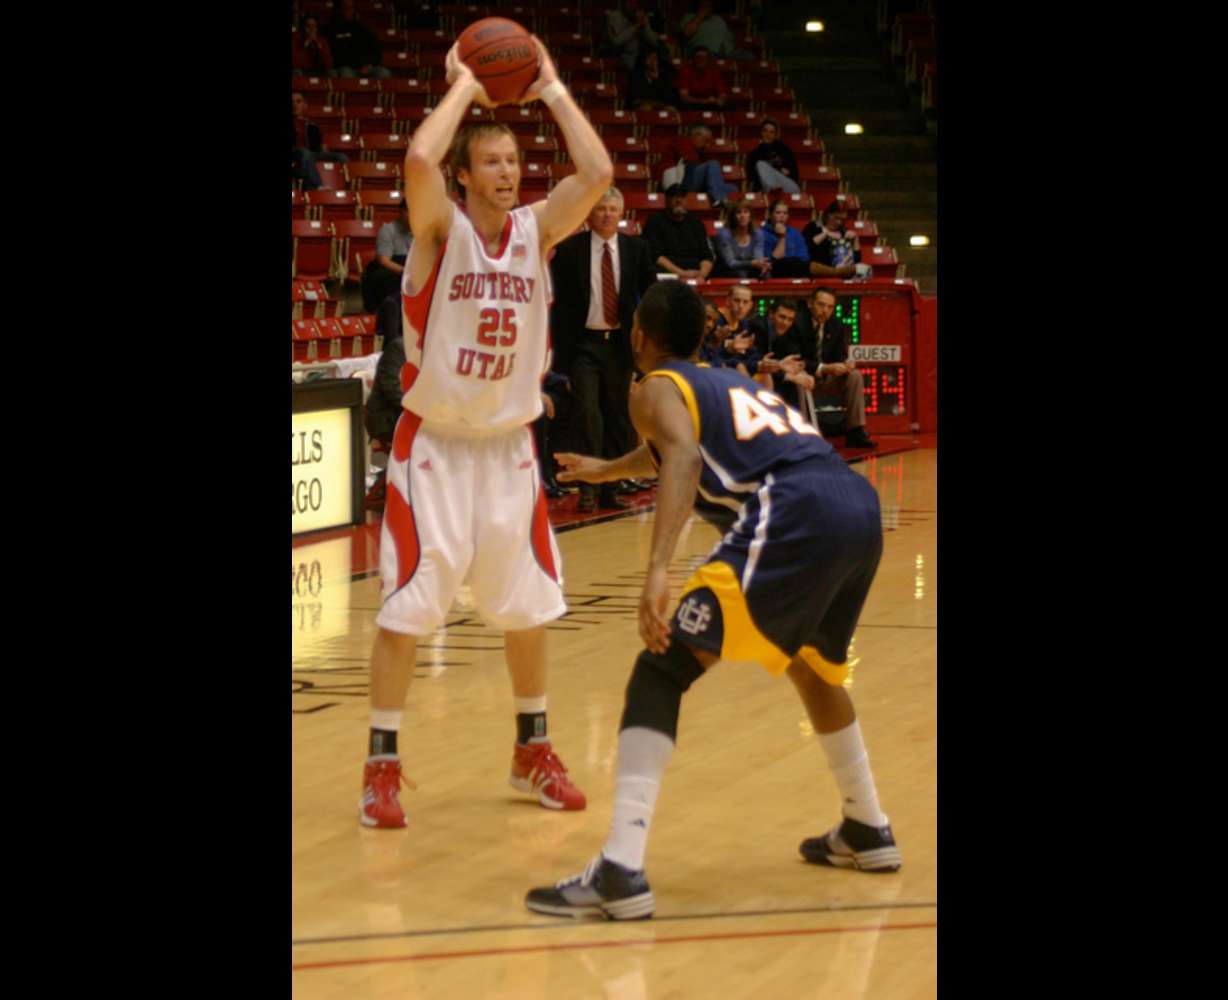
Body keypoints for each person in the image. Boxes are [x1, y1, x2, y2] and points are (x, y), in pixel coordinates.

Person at [525, 281, 900, 920]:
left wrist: (657, 570)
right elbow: (673, 447)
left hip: (795, 509)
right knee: (811, 667)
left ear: (639, 335)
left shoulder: (652, 388)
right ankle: (868, 825)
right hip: (854, 503)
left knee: (661, 668)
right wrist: (603, 469)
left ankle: (620, 868)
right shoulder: (725, 379)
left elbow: (680, 460)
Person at [357, 34, 615, 829]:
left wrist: (552, 89)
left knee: (527, 604)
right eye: (492, 162)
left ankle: (531, 747)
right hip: (433, 445)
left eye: (514, 161)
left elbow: (599, 174)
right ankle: (383, 765)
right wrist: (467, 89)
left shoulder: (537, 232)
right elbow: (417, 163)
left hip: (508, 447)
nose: (508, 172)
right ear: (467, 176)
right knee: (408, 610)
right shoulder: (440, 232)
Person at [549, 188, 658, 513]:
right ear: (589, 214)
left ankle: (611, 486)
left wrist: (645, 346)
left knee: (617, 419)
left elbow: (651, 296)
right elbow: (559, 305)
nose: (608, 214)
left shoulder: (636, 249)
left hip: (621, 346)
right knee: (588, 417)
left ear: (621, 213)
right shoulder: (570, 250)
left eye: (613, 208)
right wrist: (561, 358)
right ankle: (587, 488)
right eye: (601, 209)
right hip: (584, 344)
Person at [792, 288, 877, 449]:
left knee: (855, 375)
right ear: (811, 304)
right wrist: (824, 368)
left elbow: (839, 356)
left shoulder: (836, 325)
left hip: (827, 378)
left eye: (830, 307)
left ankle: (855, 431)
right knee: (798, 377)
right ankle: (804, 434)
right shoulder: (798, 323)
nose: (825, 310)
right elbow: (796, 359)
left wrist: (846, 364)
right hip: (804, 376)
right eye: (821, 305)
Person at [641, 184, 715, 283]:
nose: (678, 200)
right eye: (674, 196)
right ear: (666, 200)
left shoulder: (696, 223)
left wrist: (701, 276)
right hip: (668, 276)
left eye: (682, 197)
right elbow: (655, 256)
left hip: (695, 275)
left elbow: (707, 256)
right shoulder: (654, 221)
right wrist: (681, 273)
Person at [361, 195, 412, 312]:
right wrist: (406, 273)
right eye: (409, 211)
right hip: (392, 273)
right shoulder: (388, 230)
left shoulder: (422, 232)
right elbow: (383, 260)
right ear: (401, 211)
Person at [665, 125, 737, 207]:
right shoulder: (681, 141)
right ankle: (718, 199)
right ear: (697, 135)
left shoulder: (699, 151)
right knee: (713, 163)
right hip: (684, 181)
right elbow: (690, 162)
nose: (707, 144)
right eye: (705, 140)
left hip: (696, 180)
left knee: (733, 188)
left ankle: (732, 206)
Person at [291, 91, 350, 191]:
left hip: (311, 155)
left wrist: (324, 152)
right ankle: (318, 186)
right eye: (293, 102)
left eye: (298, 101)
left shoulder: (313, 126)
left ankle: (349, 188)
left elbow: (320, 147)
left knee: (341, 156)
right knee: (306, 153)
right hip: (294, 153)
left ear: (305, 105)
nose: (295, 104)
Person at [328, 0, 392, 79]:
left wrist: (369, 64)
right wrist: (359, 65)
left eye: (352, 8)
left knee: (384, 73)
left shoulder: (363, 29)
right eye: (346, 8)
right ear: (340, 10)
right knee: (346, 73)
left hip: (368, 65)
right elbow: (339, 55)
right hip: (348, 66)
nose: (349, 11)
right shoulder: (334, 29)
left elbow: (376, 50)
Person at [802, 201, 862, 278]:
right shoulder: (813, 227)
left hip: (839, 276)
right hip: (817, 274)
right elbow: (806, 249)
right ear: (828, 214)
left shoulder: (843, 231)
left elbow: (856, 261)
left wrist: (856, 241)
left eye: (842, 220)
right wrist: (826, 234)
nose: (839, 222)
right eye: (836, 218)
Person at [713, 198, 770, 279]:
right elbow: (731, 263)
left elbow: (758, 258)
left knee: (765, 273)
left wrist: (762, 265)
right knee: (736, 274)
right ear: (733, 217)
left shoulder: (758, 234)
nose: (742, 216)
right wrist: (752, 263)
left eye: (746, 212)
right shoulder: (724, 235)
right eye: (738, 213)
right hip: (727, 272)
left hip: (747, 271)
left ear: (750, 215)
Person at [603, 0, 663, 73]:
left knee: (661, 66)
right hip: (623, 57)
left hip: (642, 58)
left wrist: (645, 26)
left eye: (636, 3)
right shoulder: (614, 16)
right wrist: (636, 26)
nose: (633, 6)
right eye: (631, 2)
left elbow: (654, 42)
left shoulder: (641, 16)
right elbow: (616, 42)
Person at [745, 118, 800, 195]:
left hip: (787, 186)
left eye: (772, 132)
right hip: (765, 188)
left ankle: (773, 190)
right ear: (761, 132)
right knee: (760, 164)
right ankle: (772, 189)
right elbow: (752, 177)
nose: (768, 134)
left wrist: (780, 173)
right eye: (765, 131)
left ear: (775, 135)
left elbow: (794, 173)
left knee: (761, 165)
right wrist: (780, 170)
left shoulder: (784, 149)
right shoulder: (754, 154)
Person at [678, 0, 750, 59]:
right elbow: (687, 33)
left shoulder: (719, 19)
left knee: (748, 56)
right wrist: (700, 16)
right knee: (708, 56)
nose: (708, 5)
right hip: (704, 53)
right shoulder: (689, 17)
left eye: (709, 4)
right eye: (705, 4)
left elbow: (731, 38)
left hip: (726, 53)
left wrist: (737, 45)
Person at [760, 199, 811, 278]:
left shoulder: (795, 233)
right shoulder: (762, 234)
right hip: (774, 272)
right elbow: (770, 261)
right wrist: (782, 237)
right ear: (770, 215)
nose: (782, 216)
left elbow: (804, 257)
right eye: (778, 213)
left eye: (785, 213)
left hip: (797, 270)